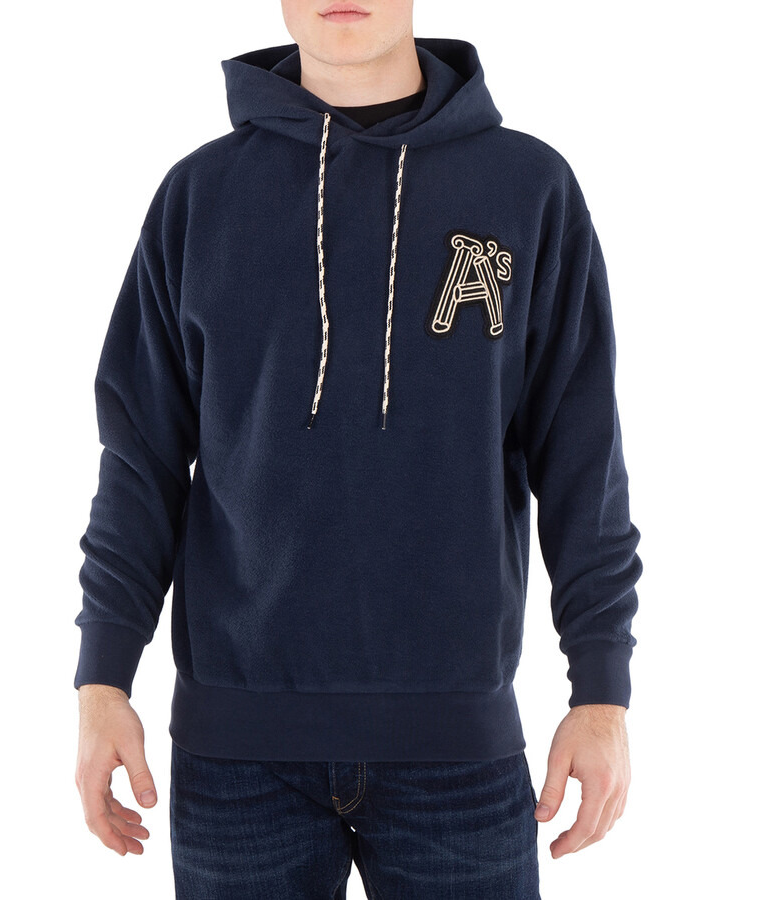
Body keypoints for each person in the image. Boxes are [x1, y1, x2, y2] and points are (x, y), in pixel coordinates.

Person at [73, 2, 643, 897]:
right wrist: (103, 679)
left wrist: (601, 689)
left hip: (457, 751)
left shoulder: (528, 188)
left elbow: (583, 458)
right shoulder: (199, 196)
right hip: (238, 761)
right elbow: (140, 460)